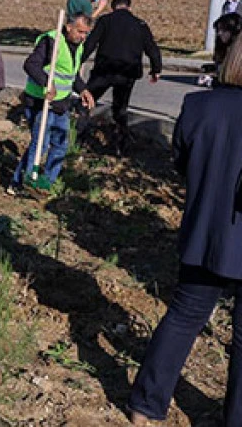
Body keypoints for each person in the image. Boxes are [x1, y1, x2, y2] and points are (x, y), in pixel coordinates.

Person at [127, 40, 242, 425]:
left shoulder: (198, 106)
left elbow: (182, 164)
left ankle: (146, 404)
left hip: (204, 234)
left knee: (182, 318)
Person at [9, 13, 96, 193]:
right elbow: (31, 65)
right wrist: (47, 83)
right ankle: (19, 182)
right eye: (80, 32)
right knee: (40, 144)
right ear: (68, 27)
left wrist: (83, 90)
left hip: (61, 104)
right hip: (41, 102)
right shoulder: (51, 42)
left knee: (60, 145)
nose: (83, 37)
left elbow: (71, 75)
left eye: (86, 33)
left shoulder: (78, 47)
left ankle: (45, 184)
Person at [82, 0, 162, 154]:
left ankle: (78, 133)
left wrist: (78, 61)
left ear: (113, 8)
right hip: (127, 73)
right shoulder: (140, 24)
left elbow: (91, 43)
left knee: (87, 101)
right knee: (120, 108)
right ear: (129, 8)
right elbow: (152, 48)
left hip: (104, 70)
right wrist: (156, 69)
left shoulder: (105, 21)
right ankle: (121, 144)